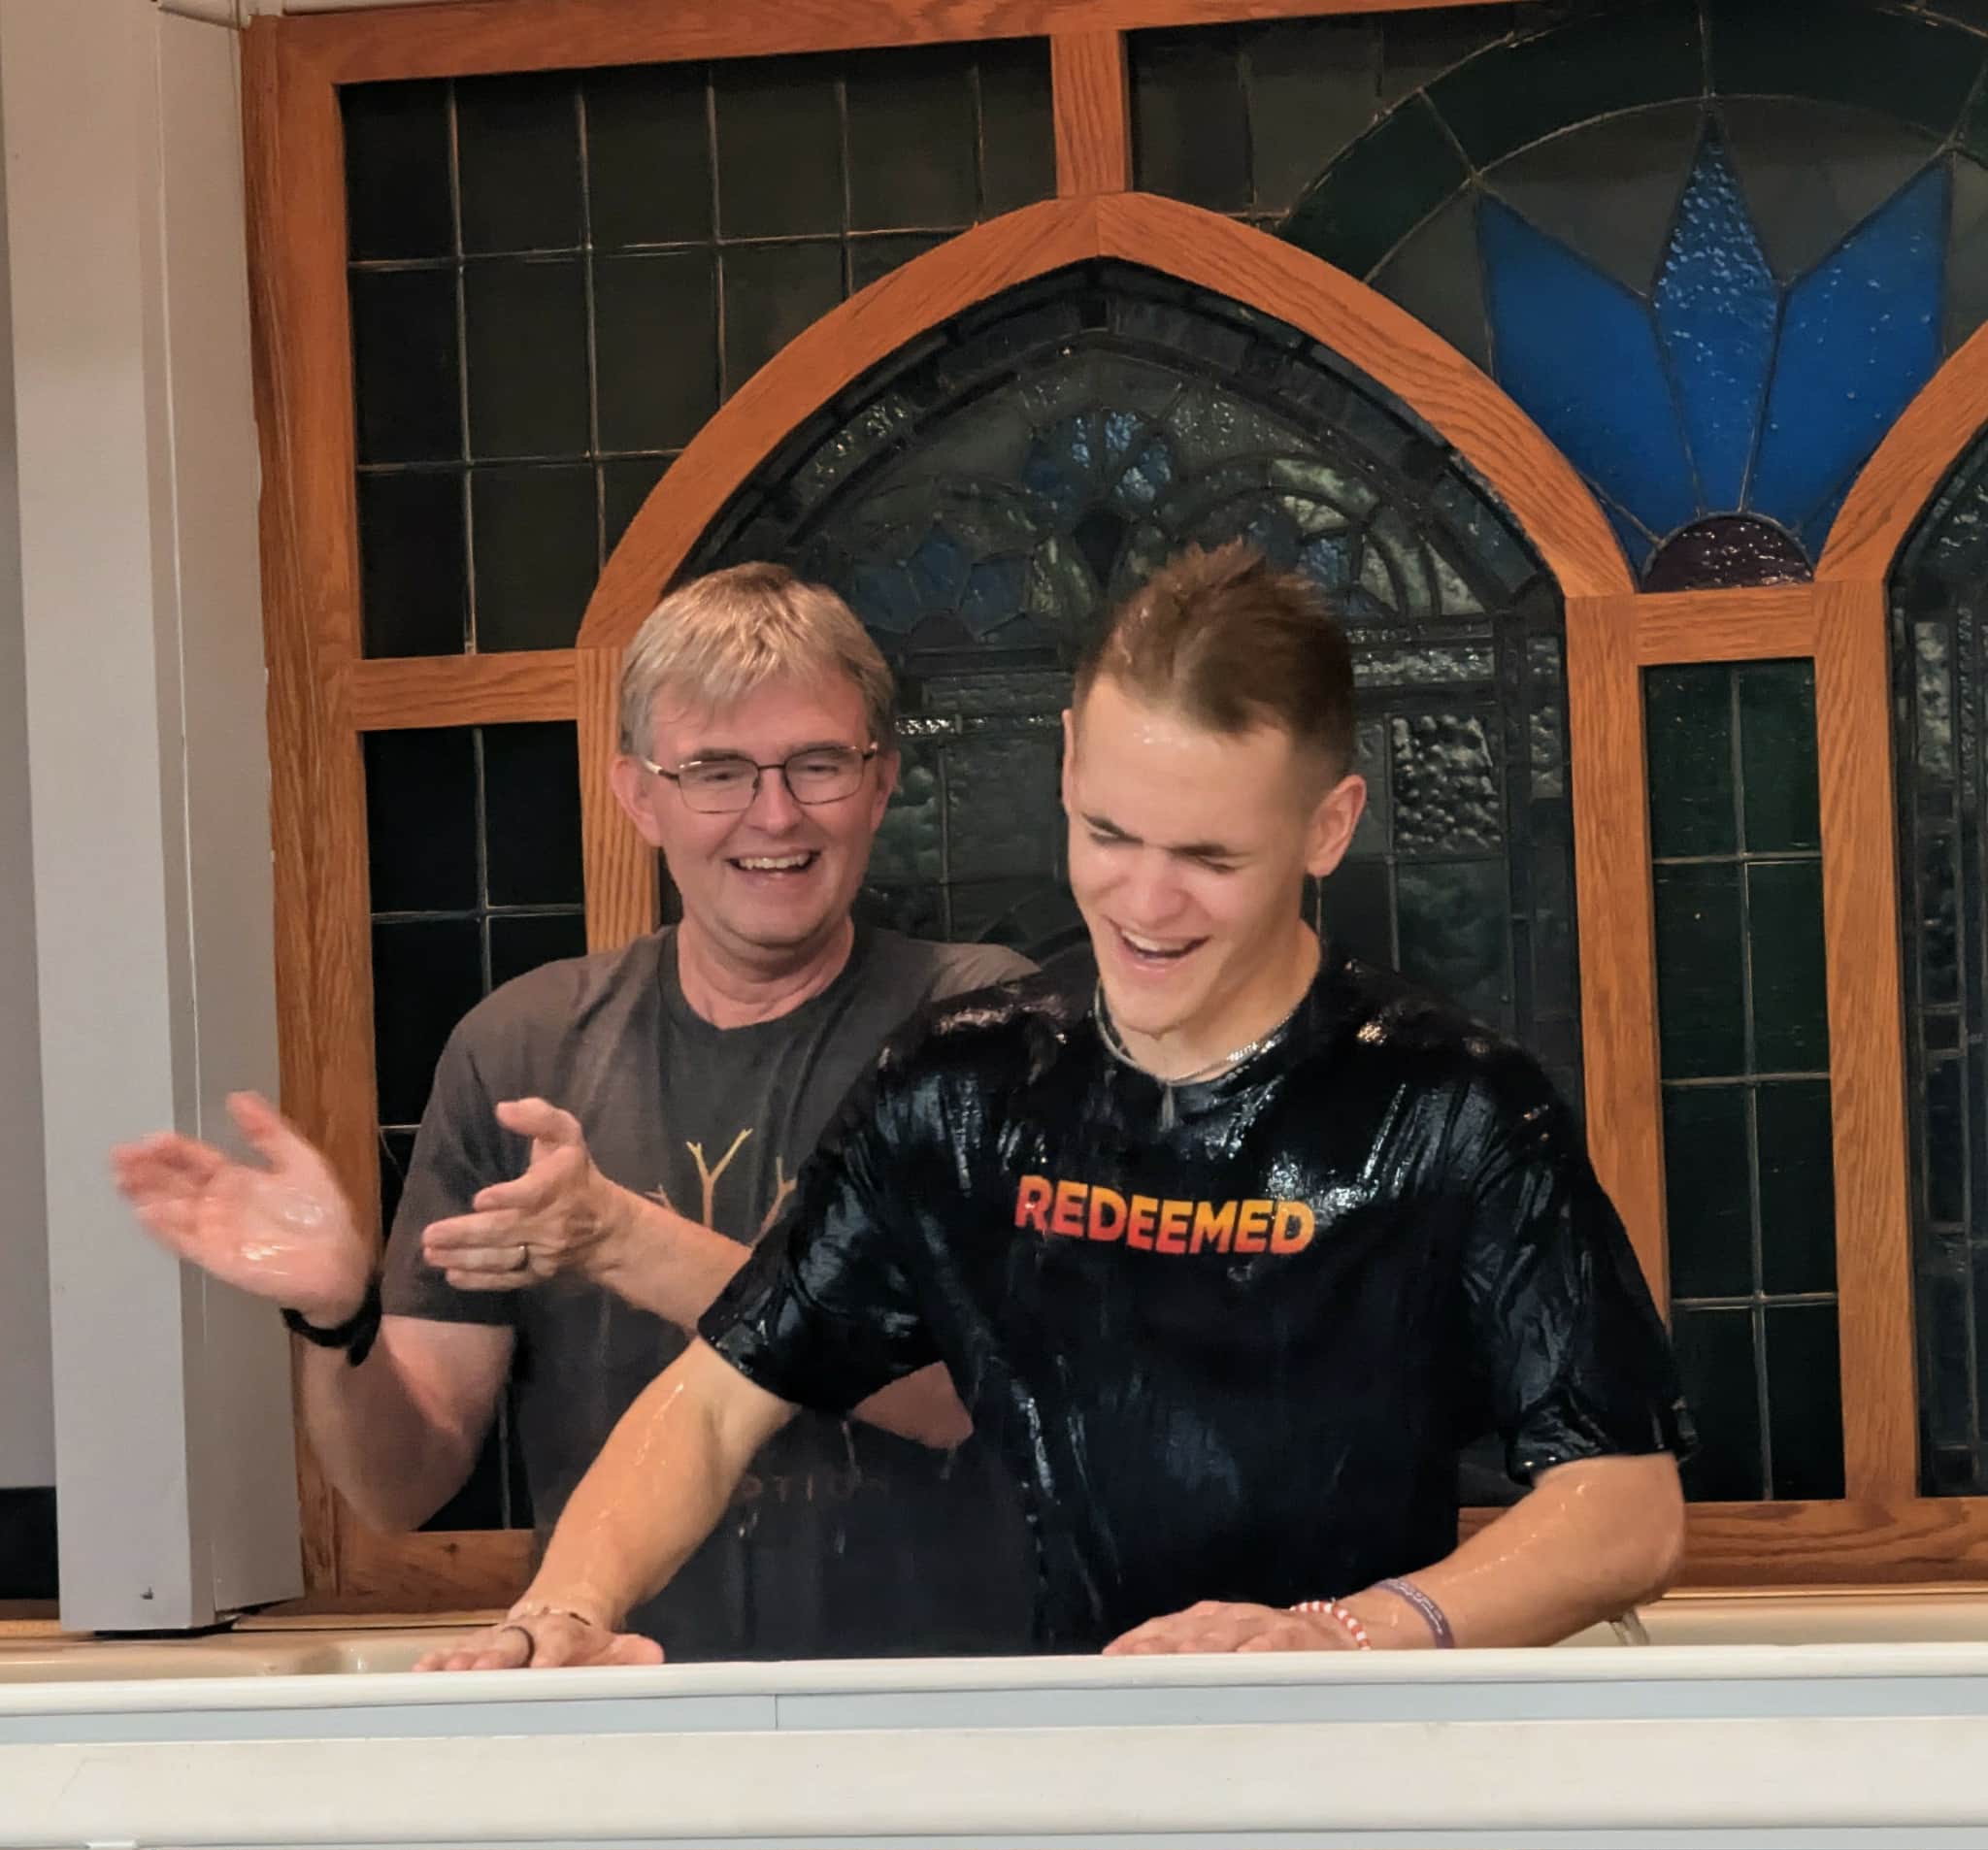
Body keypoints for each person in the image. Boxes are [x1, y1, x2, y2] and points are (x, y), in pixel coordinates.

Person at [418, 540, 1691, 1672]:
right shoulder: (959, 1085)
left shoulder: (1456, 1106)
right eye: (1110, 835)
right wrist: (567, 1604)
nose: (1146, 901)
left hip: (1352, 1775)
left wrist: (1339, 1632)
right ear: (1070, 763)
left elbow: (1625, 1509)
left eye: (1209, 857)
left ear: (1328, 826)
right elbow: (712, 1400)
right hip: (1029, 1764)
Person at [113, 563, 1037, 1659]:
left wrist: (623, 1239)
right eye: (716, 771)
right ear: (637, 797)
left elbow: (972, 1398)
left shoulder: (978, 1024)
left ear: (880, 783)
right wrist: (336, 1318)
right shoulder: (522, 1048)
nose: (774, 813)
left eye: (818, 763)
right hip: (607, 1684)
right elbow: (401, 1487)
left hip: (938, 1696)